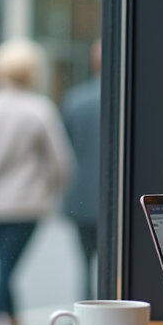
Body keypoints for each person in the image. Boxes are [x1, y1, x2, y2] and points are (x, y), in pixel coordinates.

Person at [0, 38, 73, 325]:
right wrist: (53, 191)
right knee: (6, 272)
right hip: (27, 205)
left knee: (5, 268)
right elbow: (61, 163)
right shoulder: (39, 109)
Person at [61, 39, 101, 299]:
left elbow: (63, 148)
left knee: (85, 263)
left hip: (79, 195)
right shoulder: (131, 98)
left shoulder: (75, 99)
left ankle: (86, 312)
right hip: (115, 199)